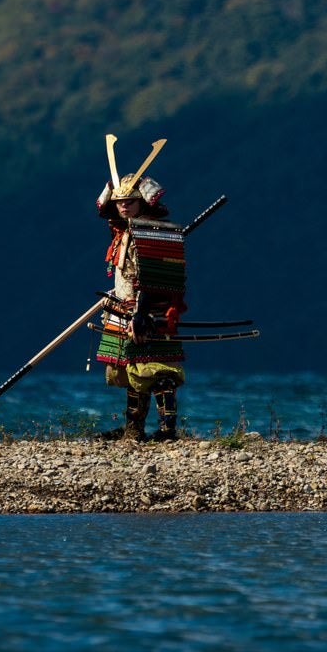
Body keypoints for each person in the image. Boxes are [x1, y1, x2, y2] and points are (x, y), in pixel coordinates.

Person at [95, 142, 187, 441]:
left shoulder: (149, 231)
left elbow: (150, 279)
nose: (123, 205)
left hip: (147, 310)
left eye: (130, 201)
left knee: (157, 369)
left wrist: (141, 312)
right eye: (119, 201)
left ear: (142, 203)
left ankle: (167, 429)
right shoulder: (124, 232)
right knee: (131, 369)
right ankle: (133, 430)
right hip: (124, 306)